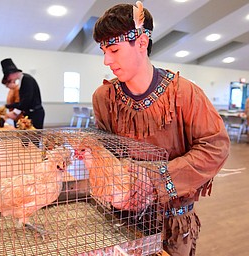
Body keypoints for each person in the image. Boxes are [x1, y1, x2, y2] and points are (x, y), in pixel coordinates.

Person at [92, 2, 230, 255]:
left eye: (113, 49)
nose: (106, 60)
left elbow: (216, 147)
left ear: (142, 43)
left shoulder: (185, 93)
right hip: (121, 219)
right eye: (103, 51)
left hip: (172, 222)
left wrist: (157, 178)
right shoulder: (104, 97)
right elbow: (107, 149)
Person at [0, 58, 45, 129]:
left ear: (11, 74)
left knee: (34, 137)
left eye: (8, 78)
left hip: (35, 113)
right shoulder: (23, 80)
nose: (10, 80)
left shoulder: (26, 79)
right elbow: (24, 101)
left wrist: (12, 109)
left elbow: (26, 101)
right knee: (28, 137)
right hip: (30, 112)